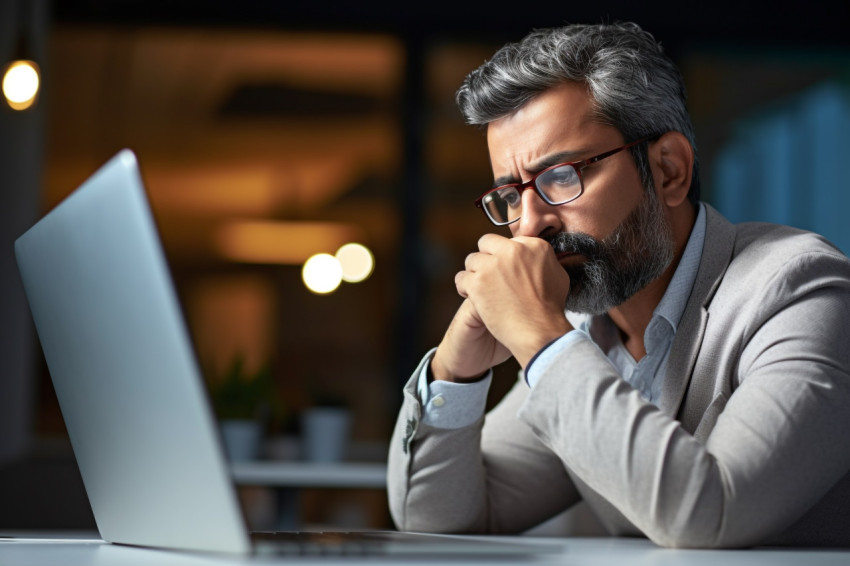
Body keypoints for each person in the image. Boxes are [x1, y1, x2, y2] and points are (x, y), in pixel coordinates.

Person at [386, 21, 850, 549]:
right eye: (511, 196)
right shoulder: (587, 330)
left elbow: (712, 514)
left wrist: (541, 339)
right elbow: (434, 521)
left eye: (561, 176)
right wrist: (455, 371)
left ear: (669, 170)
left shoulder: (801, 289)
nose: (531, 224)